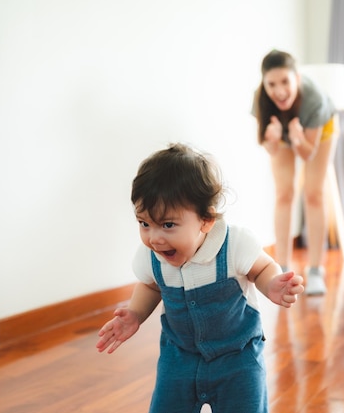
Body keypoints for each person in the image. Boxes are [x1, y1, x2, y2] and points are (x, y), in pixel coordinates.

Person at [96, 143, 305, 413]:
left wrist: (272, 285)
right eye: (144, 224)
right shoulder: (150, 256)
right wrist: (135, 314)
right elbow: (150, 285)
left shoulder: (234, 244)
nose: (154, 238)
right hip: (178, 358)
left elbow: (262, 268)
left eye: (168, 225)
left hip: (237, 360)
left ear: (206, 220)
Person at [251, 49, 337, 295]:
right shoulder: (261, 100)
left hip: (316, 134)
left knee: (313, 194)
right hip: (287, 133)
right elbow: (269, 147)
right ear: (264, 84)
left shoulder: (314, 100)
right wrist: (274, 139)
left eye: (285, 82)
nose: (279, 90)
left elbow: (308, 154)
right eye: (272, 84)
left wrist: (298, 139)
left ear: (297, 79)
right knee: (284, 194)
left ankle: (315, 270)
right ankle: (282, 267)